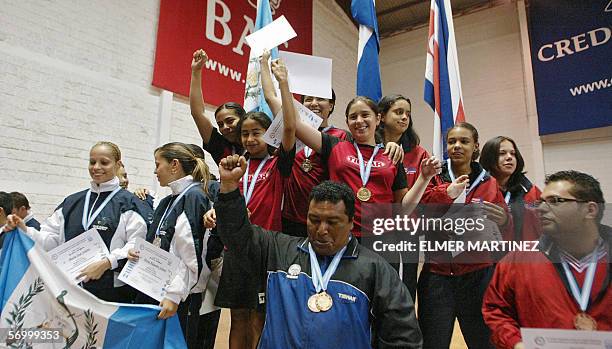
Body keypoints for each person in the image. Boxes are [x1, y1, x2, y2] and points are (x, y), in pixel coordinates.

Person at [215, 154, 423, 348]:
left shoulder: (375, 270)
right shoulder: (278, 250)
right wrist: (229, 188)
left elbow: (403, 337)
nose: (321, 230)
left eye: (332, 222)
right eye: (314, 220)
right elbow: (236, 236)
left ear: (351, 222)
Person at [205, 61, 297, 349]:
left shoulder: (279, 164)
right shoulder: (236, 167)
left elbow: (291, 126)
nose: (250, 138)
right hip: (235, 249)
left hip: (266, 249)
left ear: (269, 134)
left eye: (257, 132)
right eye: (245, 134)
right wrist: (215, 211)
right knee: (238, 319)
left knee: (260, 319)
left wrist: (282, 83)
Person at [483, 170, 611, 349]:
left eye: (555, 201)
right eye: (541, 202)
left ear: (590, 209)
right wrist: (516, 343)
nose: (541, 208)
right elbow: (496, 310)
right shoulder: (518, 259)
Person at [10, 142, 148, 303]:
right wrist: (26, 230)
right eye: (92, 162)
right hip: (69, 289)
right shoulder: (72, 202)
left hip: (111, 294)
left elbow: (137, 244)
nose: (96, 167)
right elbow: (50, 242)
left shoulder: (128, 203)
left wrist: (106, 263)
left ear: (117, 165)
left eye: (104, 162)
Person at [291, 93, 440, 238]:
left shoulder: (392, 155)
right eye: (353, 117)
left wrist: (424, 177)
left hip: (382, 238)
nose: (359, 121)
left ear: (378, 119)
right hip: (344, 236)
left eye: (365, 115)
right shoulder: (335, 146)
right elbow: (296, 124)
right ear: (347, 122)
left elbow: (402, 209)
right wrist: (283, 83)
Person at [419, 122, 512, 349]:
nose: (457, 146)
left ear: (476, 146)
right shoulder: (435, 176)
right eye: (452, 142)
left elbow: (504, 227)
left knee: (484, 342)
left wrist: (504, 220)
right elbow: (419, 216)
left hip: (478, 275)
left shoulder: (489, 182)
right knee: (433, 343)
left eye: (464, 141)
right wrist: (445, 194)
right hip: (438, 275)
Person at [128, 142, 217, 348]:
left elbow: (191, 258)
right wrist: (140, 254)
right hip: (159, 289)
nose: (155, 170)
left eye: (158, 164)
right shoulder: (169, 200)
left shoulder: (194, 197)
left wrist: (174, 295)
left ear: (174, 165)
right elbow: (160, 244)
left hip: (179, 296)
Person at [259, 50, 348, 237]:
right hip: (291, 218)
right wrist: (263, 63)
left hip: (324, 219)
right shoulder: (292, 127)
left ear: (331, 105)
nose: (314, 103)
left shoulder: (341, 137)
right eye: (308, 99)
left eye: (321, 99)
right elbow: (270, 97)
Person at [376, 94, 430, 301]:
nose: (405, 118)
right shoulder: (369, 147)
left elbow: (427, 194)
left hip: (408, 231)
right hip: (375, 228)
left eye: (408, 114)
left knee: (405, 287)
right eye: (398, 112)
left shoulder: (419, 153)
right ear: (381, 117)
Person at [480, 136, 542, 241]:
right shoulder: (478, 189)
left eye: (513, 153)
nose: (509, 157)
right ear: (489, 158)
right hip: (488, 254)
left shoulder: (531, 191)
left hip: (524, 254)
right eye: (502, 153)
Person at [190, 49, 244, 163]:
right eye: (220, 124)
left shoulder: (260, 142)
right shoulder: (220, 146)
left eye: (230, 121)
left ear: (244, 119)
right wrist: (196, 70)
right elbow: (197, 113)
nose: (224, 127)